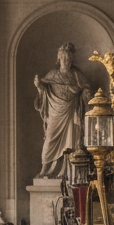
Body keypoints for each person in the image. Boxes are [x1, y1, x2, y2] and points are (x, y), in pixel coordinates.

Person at [33, 42, 90, 178]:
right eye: (63, 58)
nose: (66, 61)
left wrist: (85, 94)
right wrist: (39, 87)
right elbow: (44, 91)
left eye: (68, 58)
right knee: (50, 139)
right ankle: (45, 169)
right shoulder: (52, 74)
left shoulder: (77, 75)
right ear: (58, 59)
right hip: (55, 113)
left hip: (71, 113)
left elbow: (86, 88)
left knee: (70, 142)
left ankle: (67, 171)